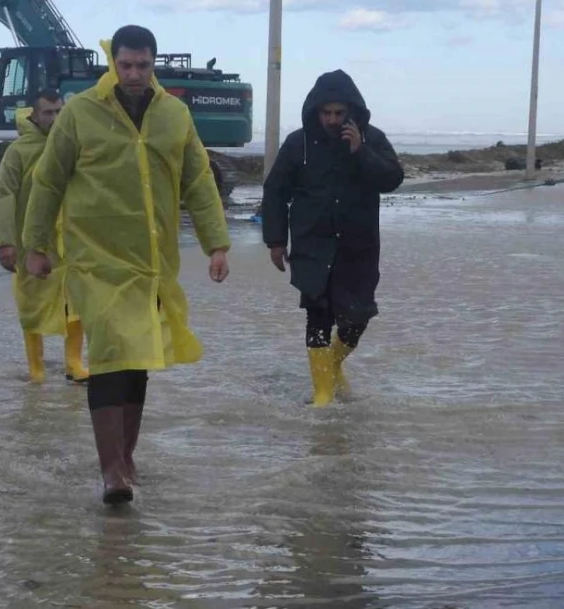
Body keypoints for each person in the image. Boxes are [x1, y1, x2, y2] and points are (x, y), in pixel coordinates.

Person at [22, 25, 231, 506]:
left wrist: (216, 245)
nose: (135, 74)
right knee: (111, 357)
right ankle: (111, 469)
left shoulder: (174, 115)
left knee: (138, 361)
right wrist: (35, 244)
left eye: (143, 65)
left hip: (151, 261)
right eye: (126, 64)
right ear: (112, 62)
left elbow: (198, 181)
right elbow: (48, 181)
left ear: (153, 64)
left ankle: (128, 456)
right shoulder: (80, 114)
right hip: (94, 258)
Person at [261, 70, 404, 407]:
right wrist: (275, 241)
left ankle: (334, 365)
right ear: (316, 111)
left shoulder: (373, 138)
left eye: (339, 113)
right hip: (313, 245)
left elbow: (393, 178)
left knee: (358, 317)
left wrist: (361, 152)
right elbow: (275, 191)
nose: (332, 120)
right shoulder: (298, 143)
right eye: (326, 113)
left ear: (352, 112)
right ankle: (322, 392)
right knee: (318, 317)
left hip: (358, 247)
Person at [0, 89, 89, 384]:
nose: (56, 118)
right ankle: (37, 368)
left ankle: (74, 362)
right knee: (32, 303)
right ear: (34, 115)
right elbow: (4, 195)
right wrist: (5, 241)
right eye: (49, 112)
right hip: (30, 242)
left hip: (70, 241)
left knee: (76, 301)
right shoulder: (18, 152)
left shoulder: (73, 146)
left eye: (60, 111)